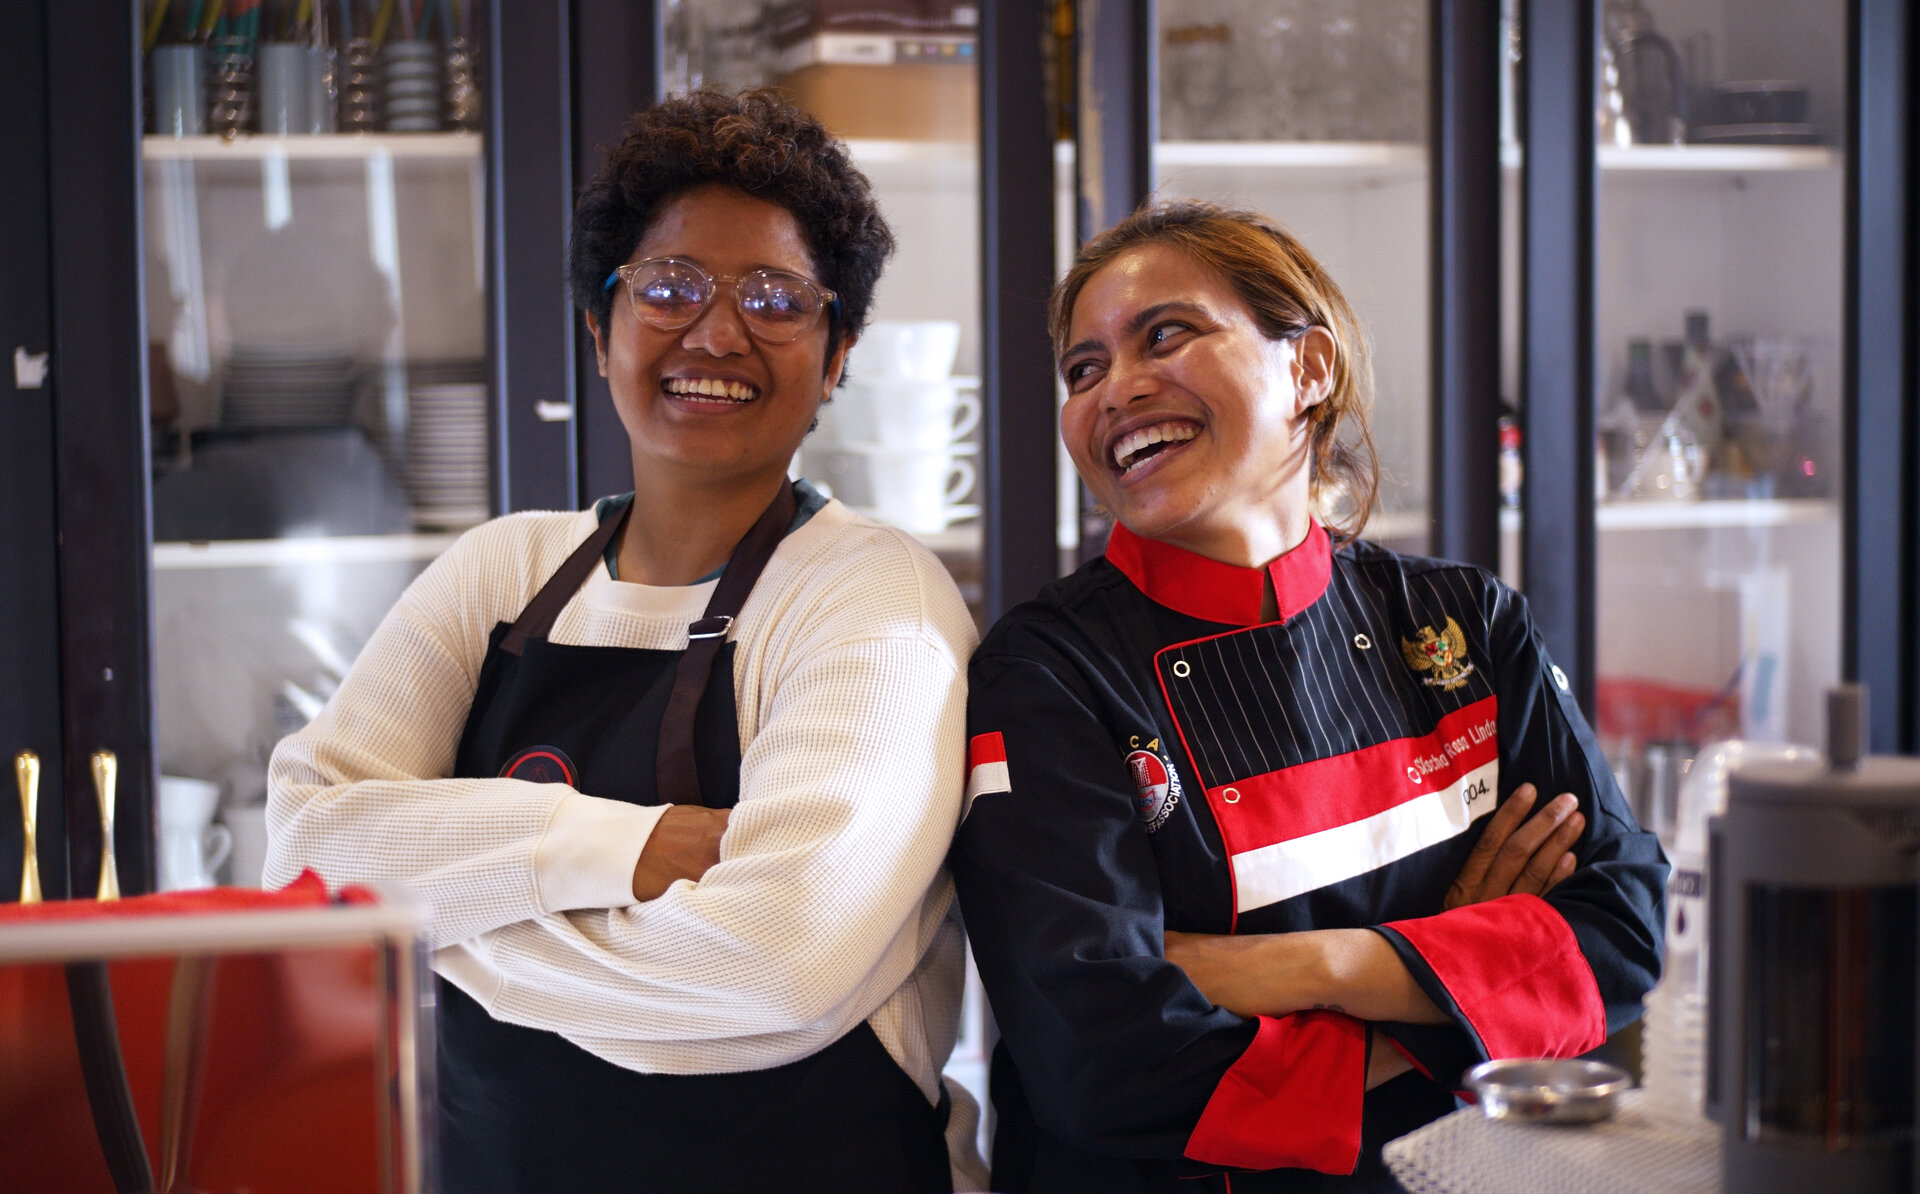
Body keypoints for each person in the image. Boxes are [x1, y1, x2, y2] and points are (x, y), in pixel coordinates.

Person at [265, 91, 984, 1193]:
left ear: (837, 358)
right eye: (670, 287)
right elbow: (304, 855)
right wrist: (620, 851)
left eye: (777, 299)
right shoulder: (503, 569)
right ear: (600, 331)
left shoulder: (870, 598)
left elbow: (775, 963)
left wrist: (434, 924)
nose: (718, 331)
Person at [950, 200, 1667, 1192]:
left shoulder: (1466, 623)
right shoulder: (1049, 675)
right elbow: (1107, 1060)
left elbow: (1624, 931)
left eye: (1166, 333)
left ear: (1309, 367)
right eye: (1083, 368)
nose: (1115, 387)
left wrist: (1304, 968)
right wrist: (1463, 981)